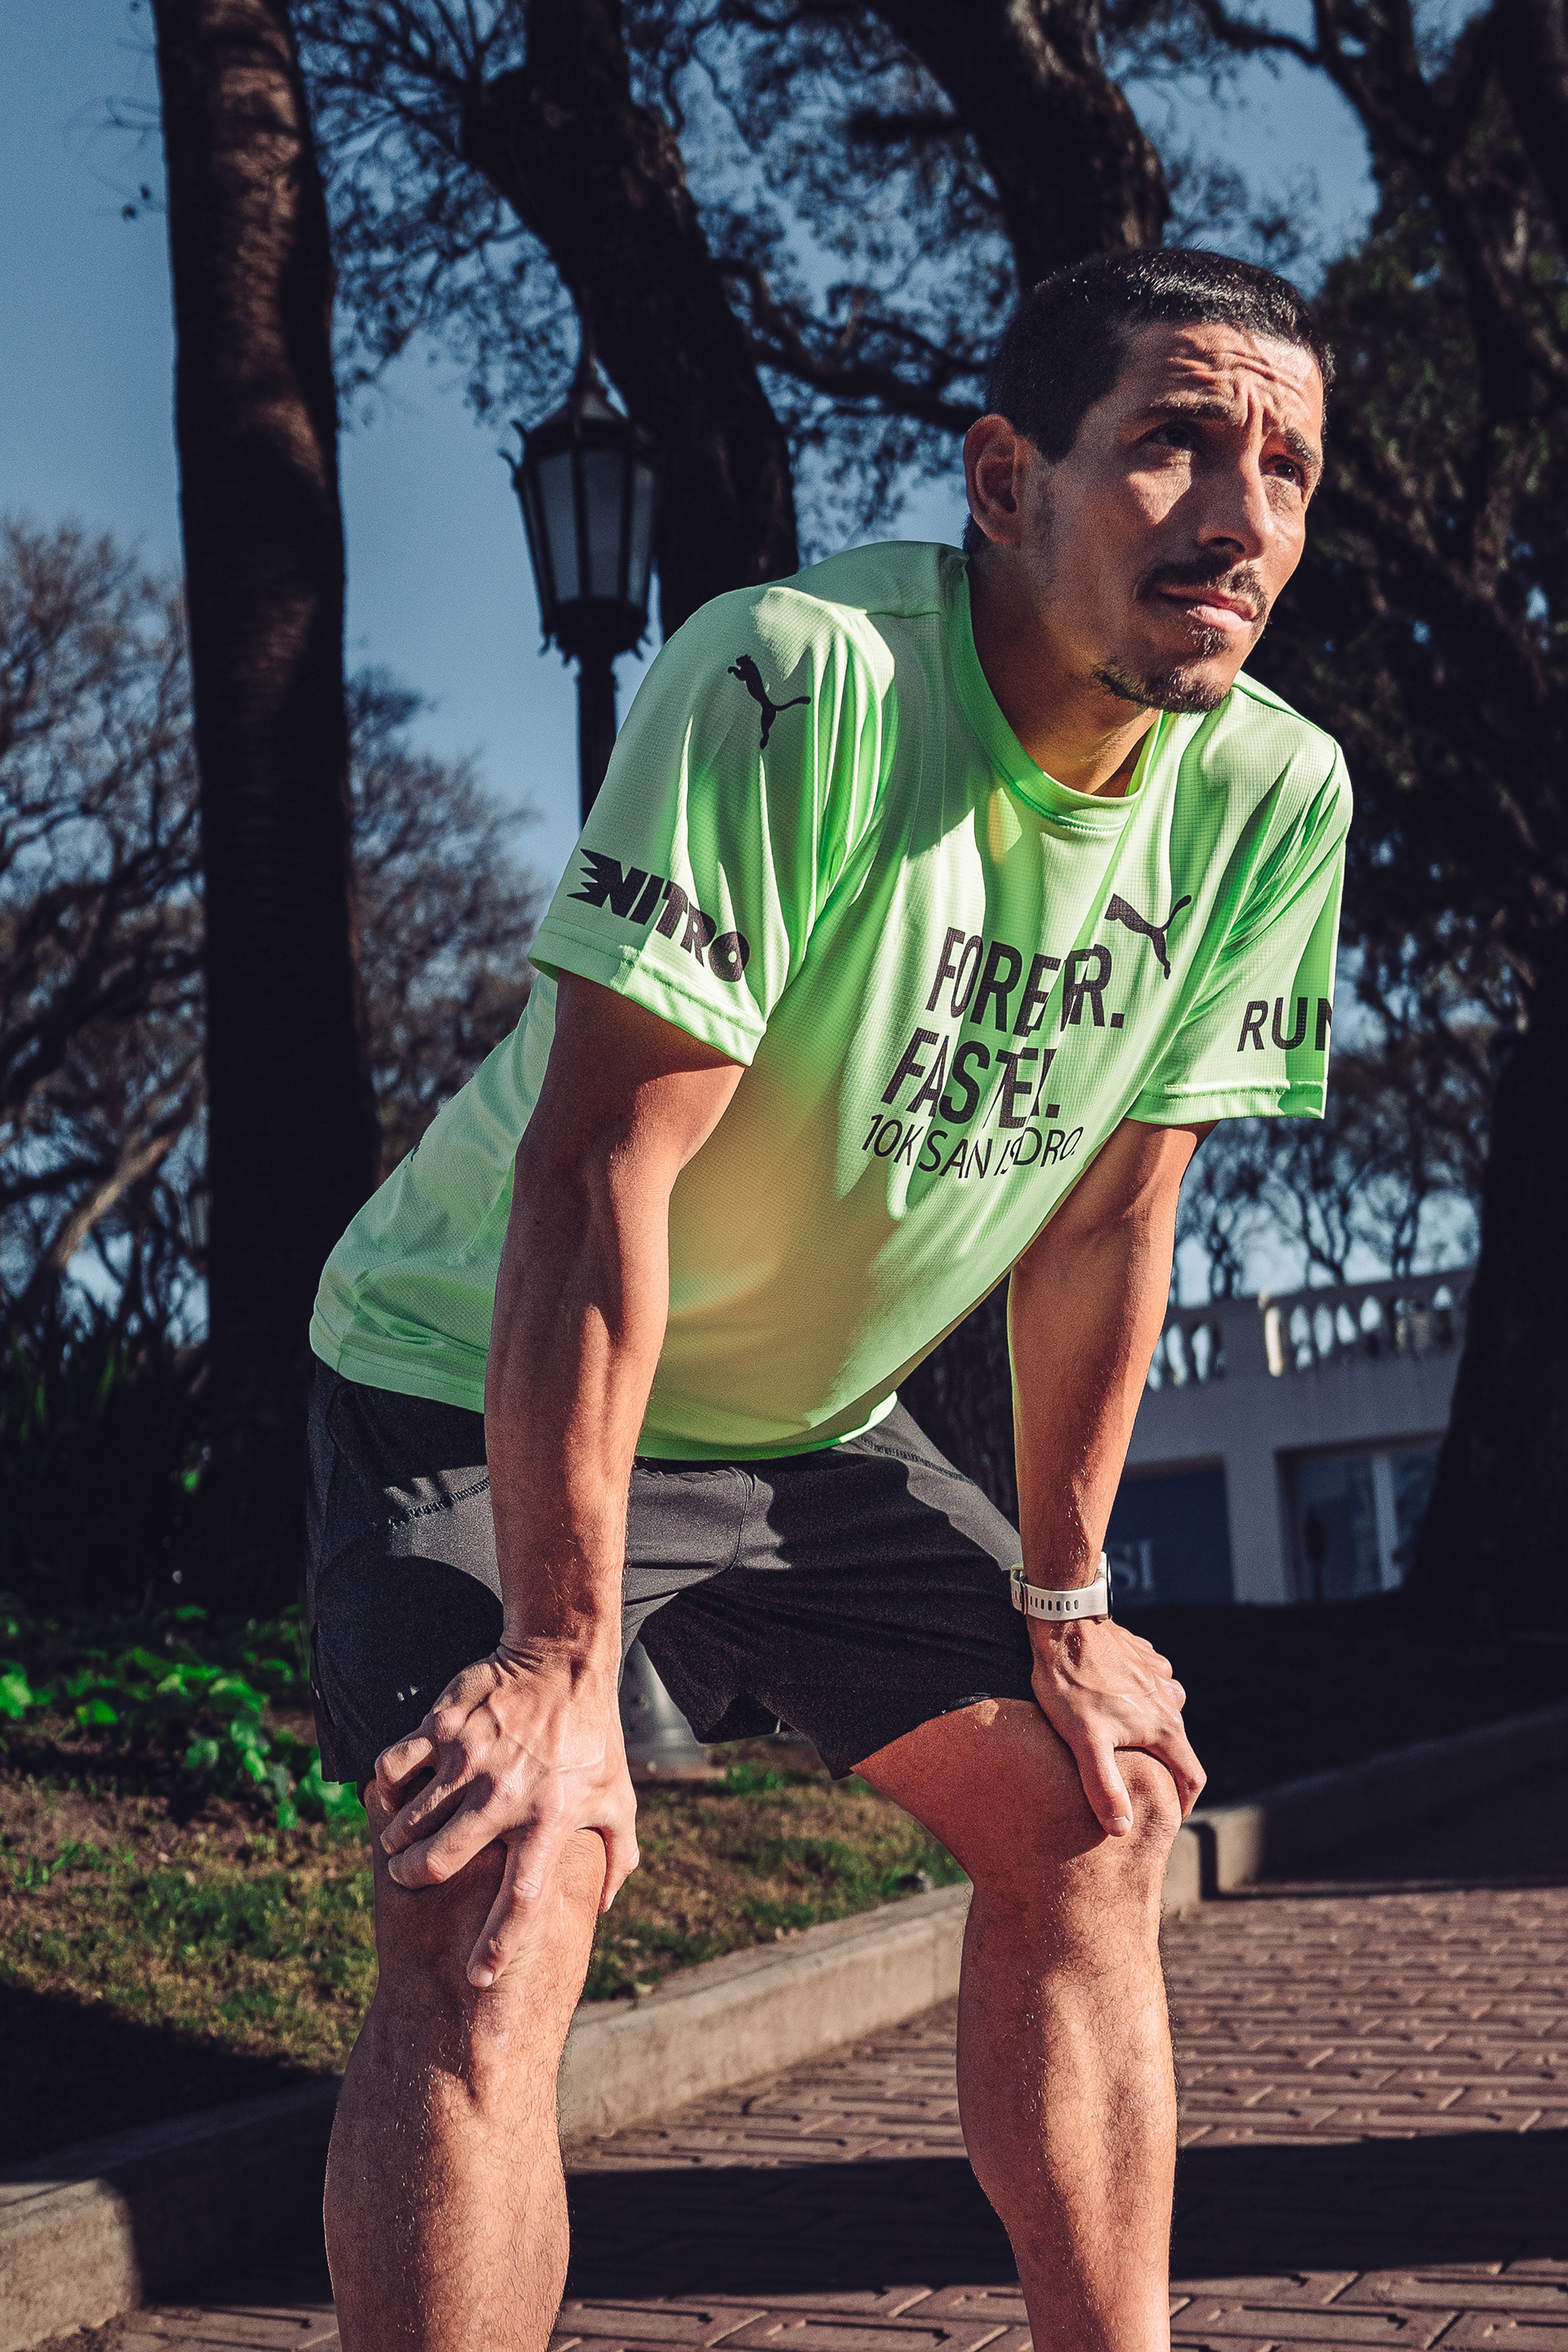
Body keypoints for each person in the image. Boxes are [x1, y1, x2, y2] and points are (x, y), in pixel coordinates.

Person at [306, 247, 1347, 2352]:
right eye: (1173, 443)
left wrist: (1067, 1603)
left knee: (1091, 1818)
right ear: (1006, 479)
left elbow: (1109, 1225)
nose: (1241, 517)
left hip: (813, 1429)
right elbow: (597, 1176)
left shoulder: (1273, 793)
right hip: (476, 1369)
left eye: (1290, 470)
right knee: (506, 1890)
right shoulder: (797, 682)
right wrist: (558, 1655)